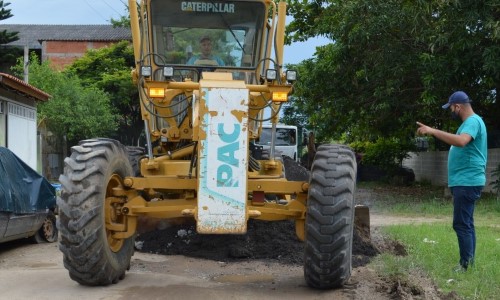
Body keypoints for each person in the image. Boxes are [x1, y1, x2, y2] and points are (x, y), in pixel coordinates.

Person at [416, 91, 487, 272]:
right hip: (465, 181)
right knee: (466, 223)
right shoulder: (471, 122)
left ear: (458, 106)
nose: (451, 112)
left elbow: (462, 141)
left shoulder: (471, 122)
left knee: (461, 224)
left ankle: (465, 266)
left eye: (451, 108)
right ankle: (468, 264)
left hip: (467, 181)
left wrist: (432, 131)